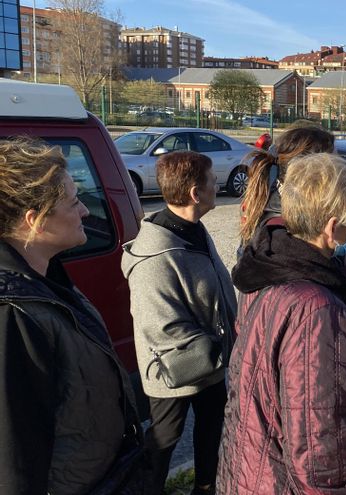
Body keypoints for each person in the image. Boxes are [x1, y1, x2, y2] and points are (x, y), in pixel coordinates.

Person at [216, 153, 346, 494]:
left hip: (252, 471)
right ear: (333, 228)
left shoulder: (266, 267)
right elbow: (321, 453)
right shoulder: (318, 311)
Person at [0, 137, 143, 493]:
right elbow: (13, 464)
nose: (85, 212)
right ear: (34, 221)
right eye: (74, 201)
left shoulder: (47, 278)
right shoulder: (13, 316)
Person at [122, 150, 236, 495]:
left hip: (212, 364)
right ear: (195, 194)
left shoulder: (195, 230)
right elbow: (160, 325)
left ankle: (206, 487)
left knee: (212, 428)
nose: (217, 184)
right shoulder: (155, 256)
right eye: (212, 180)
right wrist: (215, 346)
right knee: (164, 440)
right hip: (175, 372)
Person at [239, 126, 335, 248]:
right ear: (312, 174)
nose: (340, 174)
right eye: (335, 165)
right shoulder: (284, 229)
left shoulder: (290, 209)